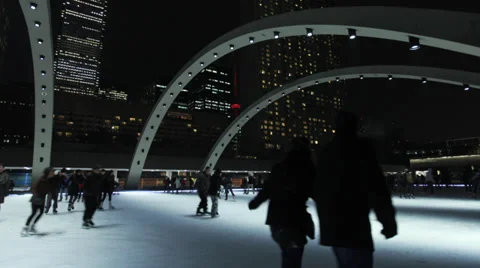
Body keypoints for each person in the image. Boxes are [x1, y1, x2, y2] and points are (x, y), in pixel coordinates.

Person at [314, 111, 397, 268]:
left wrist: (327, 215)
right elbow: (376, 187)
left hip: (332, 228)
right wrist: (387, 220)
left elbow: (317, 188)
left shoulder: (326, 151)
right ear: (355, 126)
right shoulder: (361, 149)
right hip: (355, 226)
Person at [249, 137, 316, 268]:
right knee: (293, 257)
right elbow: (318, 192)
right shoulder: (308, 169)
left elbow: (268, 188)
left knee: (288, 253)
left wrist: (255, 203)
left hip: (277, 219)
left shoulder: (280, 167)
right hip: (295, 221)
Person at [22, 167, 53, 235]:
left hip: (40, 198)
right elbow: (38, 189)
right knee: (34, 213)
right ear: (48, 173)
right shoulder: (43, 180)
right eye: (51, 172)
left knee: (40, 212)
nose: (52, 173)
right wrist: (47, 191)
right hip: (37, 198)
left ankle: (31, 227)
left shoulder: (46, 179)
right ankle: (26, 228)